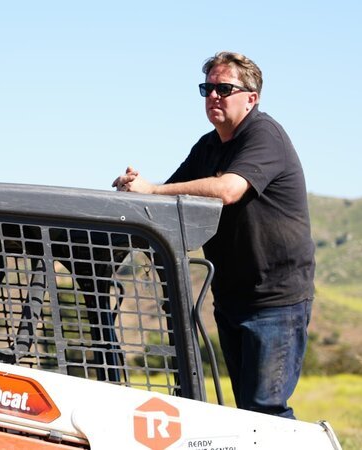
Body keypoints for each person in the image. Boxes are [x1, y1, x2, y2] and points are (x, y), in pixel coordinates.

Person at [112, 51, 314, 419]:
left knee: (265, 412)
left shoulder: (264, 134)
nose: (213, 96)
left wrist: (152, 190)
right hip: (232, 297)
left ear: (252, 98)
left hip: (276, 300)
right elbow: (167, 197)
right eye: (207, 88)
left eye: (224, 88)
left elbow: (229, 190)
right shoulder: (207, 147)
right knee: (249, 414)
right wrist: (134, 192)